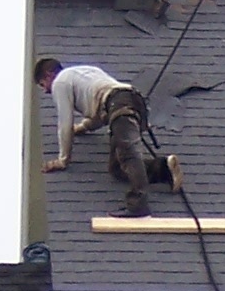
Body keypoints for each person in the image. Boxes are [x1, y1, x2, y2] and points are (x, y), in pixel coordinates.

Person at [35, 56, 152, 218]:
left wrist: (63, 160)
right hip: (131, 100)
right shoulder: (85, 72)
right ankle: (165, 169)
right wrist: (84, 127)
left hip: (119, 104)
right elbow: (101, 111)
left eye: (43, 84)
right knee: (117, 169)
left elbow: (65, 122)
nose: (46, 90)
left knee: (128, 153)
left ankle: (139, 207)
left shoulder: (60, 82)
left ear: (49, 75)